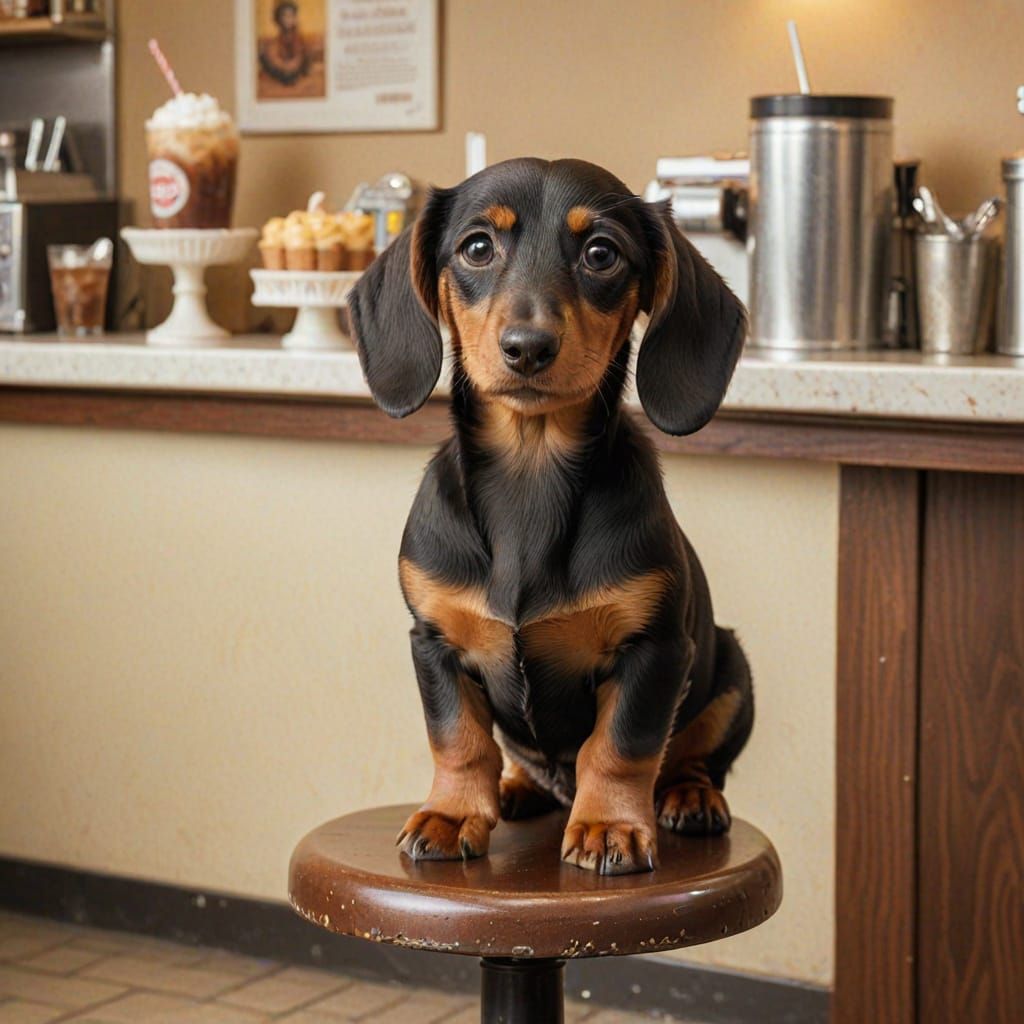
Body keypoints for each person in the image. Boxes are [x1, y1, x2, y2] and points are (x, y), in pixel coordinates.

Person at [259, 1, 311, 87]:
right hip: (282, 70)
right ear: (278, 18)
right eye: (284, 16)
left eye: (291, 16)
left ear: (295, 18)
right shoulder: (275, 41)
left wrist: (291, 65)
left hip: (295, 70)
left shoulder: (299, 39)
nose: (288, 19)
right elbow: (273, 55)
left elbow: (300, 55)